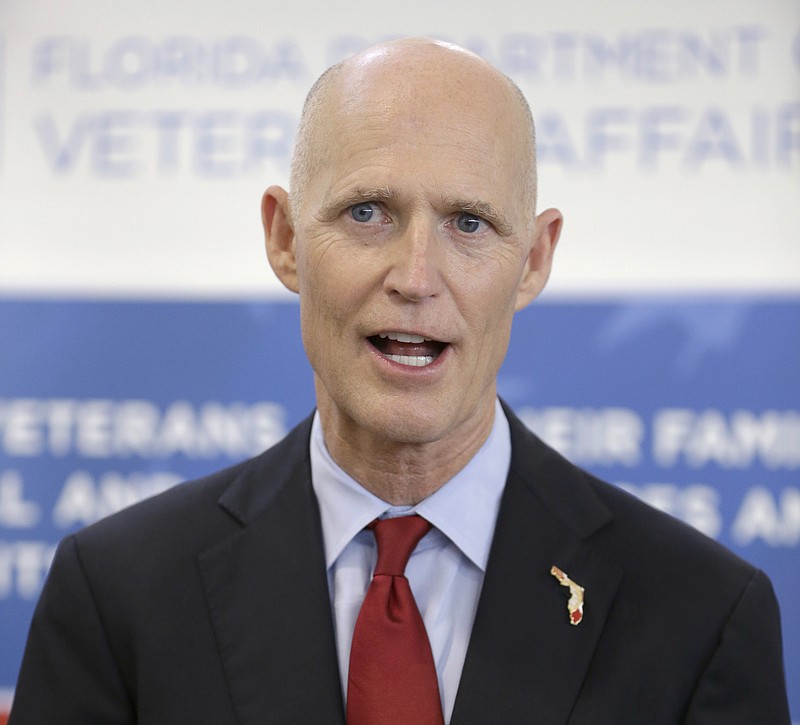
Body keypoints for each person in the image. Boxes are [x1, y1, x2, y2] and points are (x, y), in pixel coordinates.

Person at [9, 38, 791, 725]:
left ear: (536, 258)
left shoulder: (701, 615)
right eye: (368, 212)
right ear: (285, 239)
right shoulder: (117, 595)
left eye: (469, 223)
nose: (416, 277)